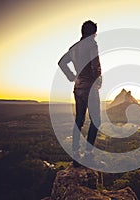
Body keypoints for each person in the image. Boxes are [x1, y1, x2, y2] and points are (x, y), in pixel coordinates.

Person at [58, 20, 102, 167]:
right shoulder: (91, 44)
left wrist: (72, 77)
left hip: (78, 88)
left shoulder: (74, 48)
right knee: (96, 121)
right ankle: (88, 153)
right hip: (90, 87)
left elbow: (61, 62)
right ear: (93, 33)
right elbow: (95, 64)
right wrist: (98, 80)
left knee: (79, 120)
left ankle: (75, 154)